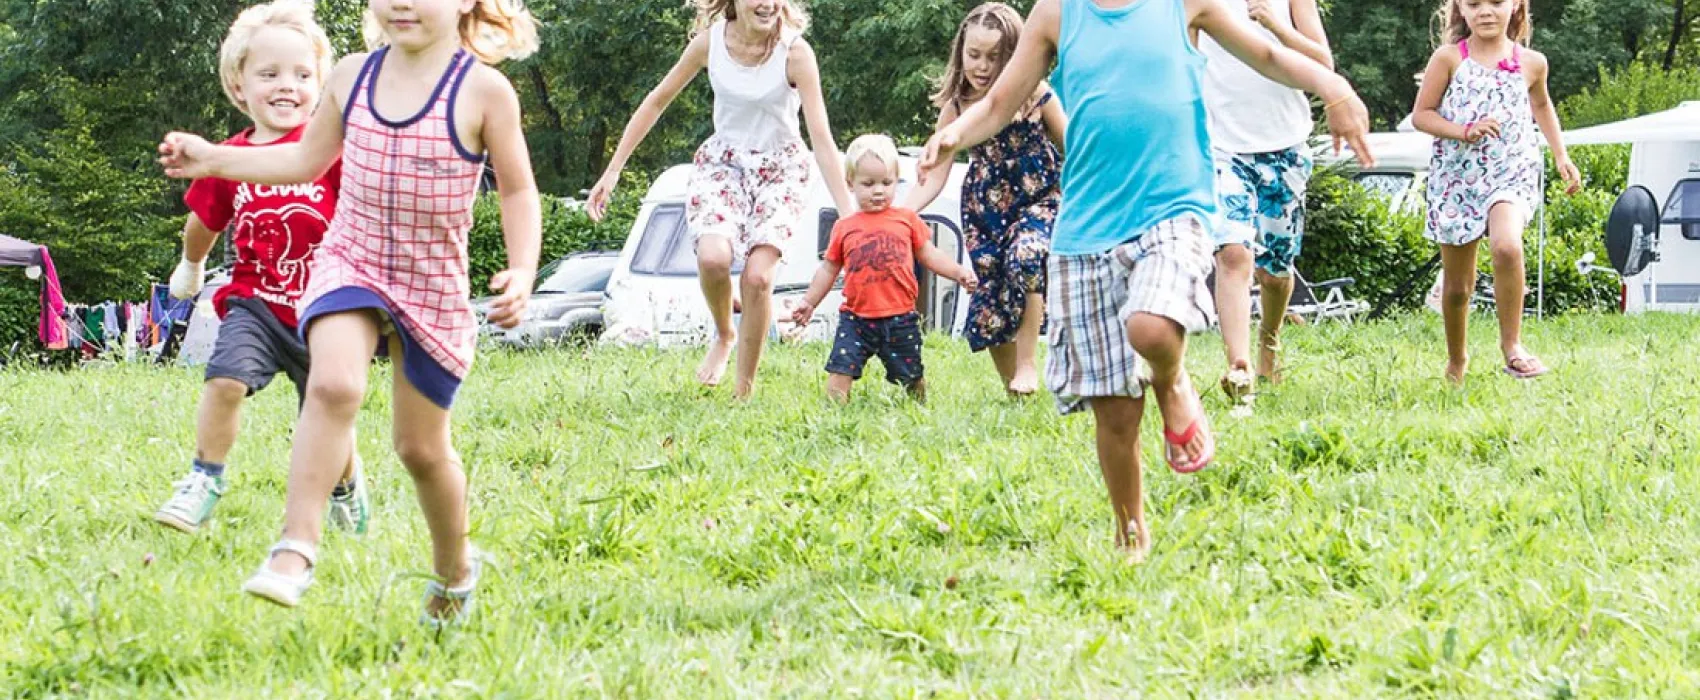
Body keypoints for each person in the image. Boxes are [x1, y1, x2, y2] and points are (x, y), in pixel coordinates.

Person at [920, 0, 1373, 560]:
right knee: (1114, 409)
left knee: (1152, 329)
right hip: (1087, 223)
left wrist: (1336, 90)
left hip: (1172, 205)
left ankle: (1174, 379)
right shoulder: (1056, 14)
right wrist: (952, 135)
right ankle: (1130, 529)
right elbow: (996, 103)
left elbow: (1267, 53)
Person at [158, 0, 542, 625]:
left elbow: (520, 189)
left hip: (431, 283)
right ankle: (295, 547)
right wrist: (214, 159)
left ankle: (454, 571)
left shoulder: (484, 91)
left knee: (420, 450)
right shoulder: (351, 77)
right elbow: (301, 160)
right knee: (334, 383)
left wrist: (523, 269)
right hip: (351, 260)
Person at [153, 0, 370, 537]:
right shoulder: (229, 157)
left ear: (321, 83)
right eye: (268, 74)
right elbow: (205, 220)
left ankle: (344, 486)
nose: (286, 86)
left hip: (328, 311)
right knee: (224, 380)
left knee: (325, 416)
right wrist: (191, 267)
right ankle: (204, 477)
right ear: (239, 85)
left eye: (302, 74)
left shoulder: (333, 151)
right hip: (256, 304)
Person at [585, 0, 854, 400]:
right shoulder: (708, 44)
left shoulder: (795, 52)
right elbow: (657, 101)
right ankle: (725, 332)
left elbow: (821, 137)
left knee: (759, 277)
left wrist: (850, 217)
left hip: (781, 167)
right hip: (724, 162)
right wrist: (613, 170)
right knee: (713, 258)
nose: (767, 4)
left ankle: (742, 391)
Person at [1413, 0, 1581, 384]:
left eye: (1496, 2)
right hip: (1457, 179)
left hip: (1512, 170)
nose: (1485, 11)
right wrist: (1464, 130)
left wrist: (1561, 155)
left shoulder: (1532, 62)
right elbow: (1422, 114)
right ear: (1460, 8)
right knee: (1458, 289)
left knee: (1507, 245)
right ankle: (1457, 360)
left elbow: (1541, 103)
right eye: (1473, 4)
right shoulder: (1449, 59)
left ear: (1517, 5)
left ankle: (1513, 348)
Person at [904, 2, 1065, 397]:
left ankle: (1028, 363)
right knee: (989, 301)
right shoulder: (956, 109)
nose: (982, 66)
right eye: (974, 55)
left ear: (1014, 57)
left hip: (1038, 200)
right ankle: (1014, 389)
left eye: (995, 57)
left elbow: (1074, 149)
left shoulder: (1038, 96)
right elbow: (935, 178)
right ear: (960, 54)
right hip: (984, 212)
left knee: (1027, 257)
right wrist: (899, 211)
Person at [1200, 0, 1333, 405]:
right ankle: (1239, 367)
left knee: (1275, 273)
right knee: (1233, 253)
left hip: (1285, 145)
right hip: (1221, 145)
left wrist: (1277, 25)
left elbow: (1323, 64)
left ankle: (1268, 343)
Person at [792, 134, 978, 403]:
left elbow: (930, 254)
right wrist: (809, 303)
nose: (878, 190)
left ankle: (919, 408)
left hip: (900, 317)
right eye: (868, 184)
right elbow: (828, 269)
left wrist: (958, 272)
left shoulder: (906, 220)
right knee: (840, 368)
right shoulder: (844, 227)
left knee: (911, 374)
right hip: (856, 319)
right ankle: (833, 414)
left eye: (886, 183)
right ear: (850, 184)